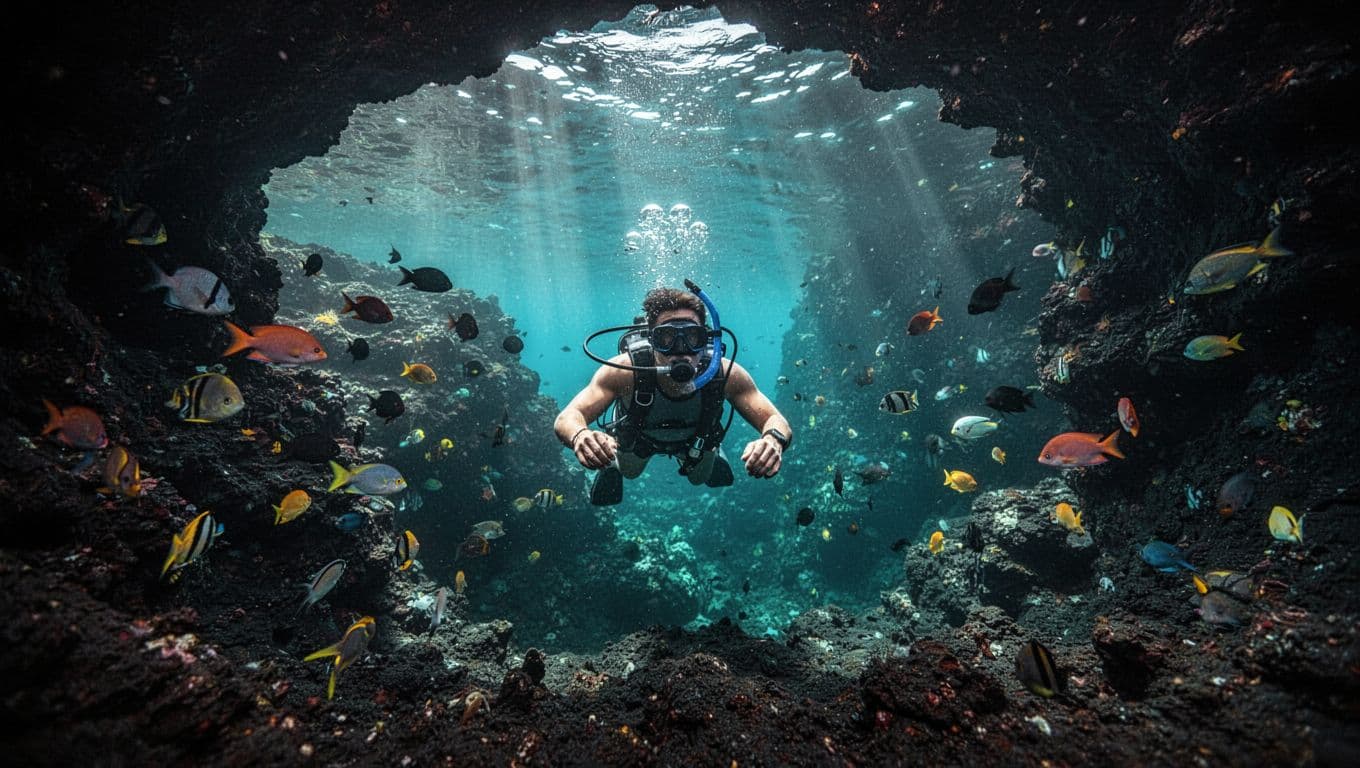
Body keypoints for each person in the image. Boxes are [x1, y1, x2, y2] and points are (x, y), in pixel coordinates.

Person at [555, 286, 792, 505]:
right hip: (640, 438)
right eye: (667, 338)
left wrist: (773, 440)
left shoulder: (725, 373)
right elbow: (567, 418)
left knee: (700, 478)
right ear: (652, 340)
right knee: (630, 472)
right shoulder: (624, 372)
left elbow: (775, 419)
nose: (681, 351)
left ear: (706, 339)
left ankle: (713, 452)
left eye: (692, 338)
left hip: (696, 440)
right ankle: (611, 462)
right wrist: (580, 435)